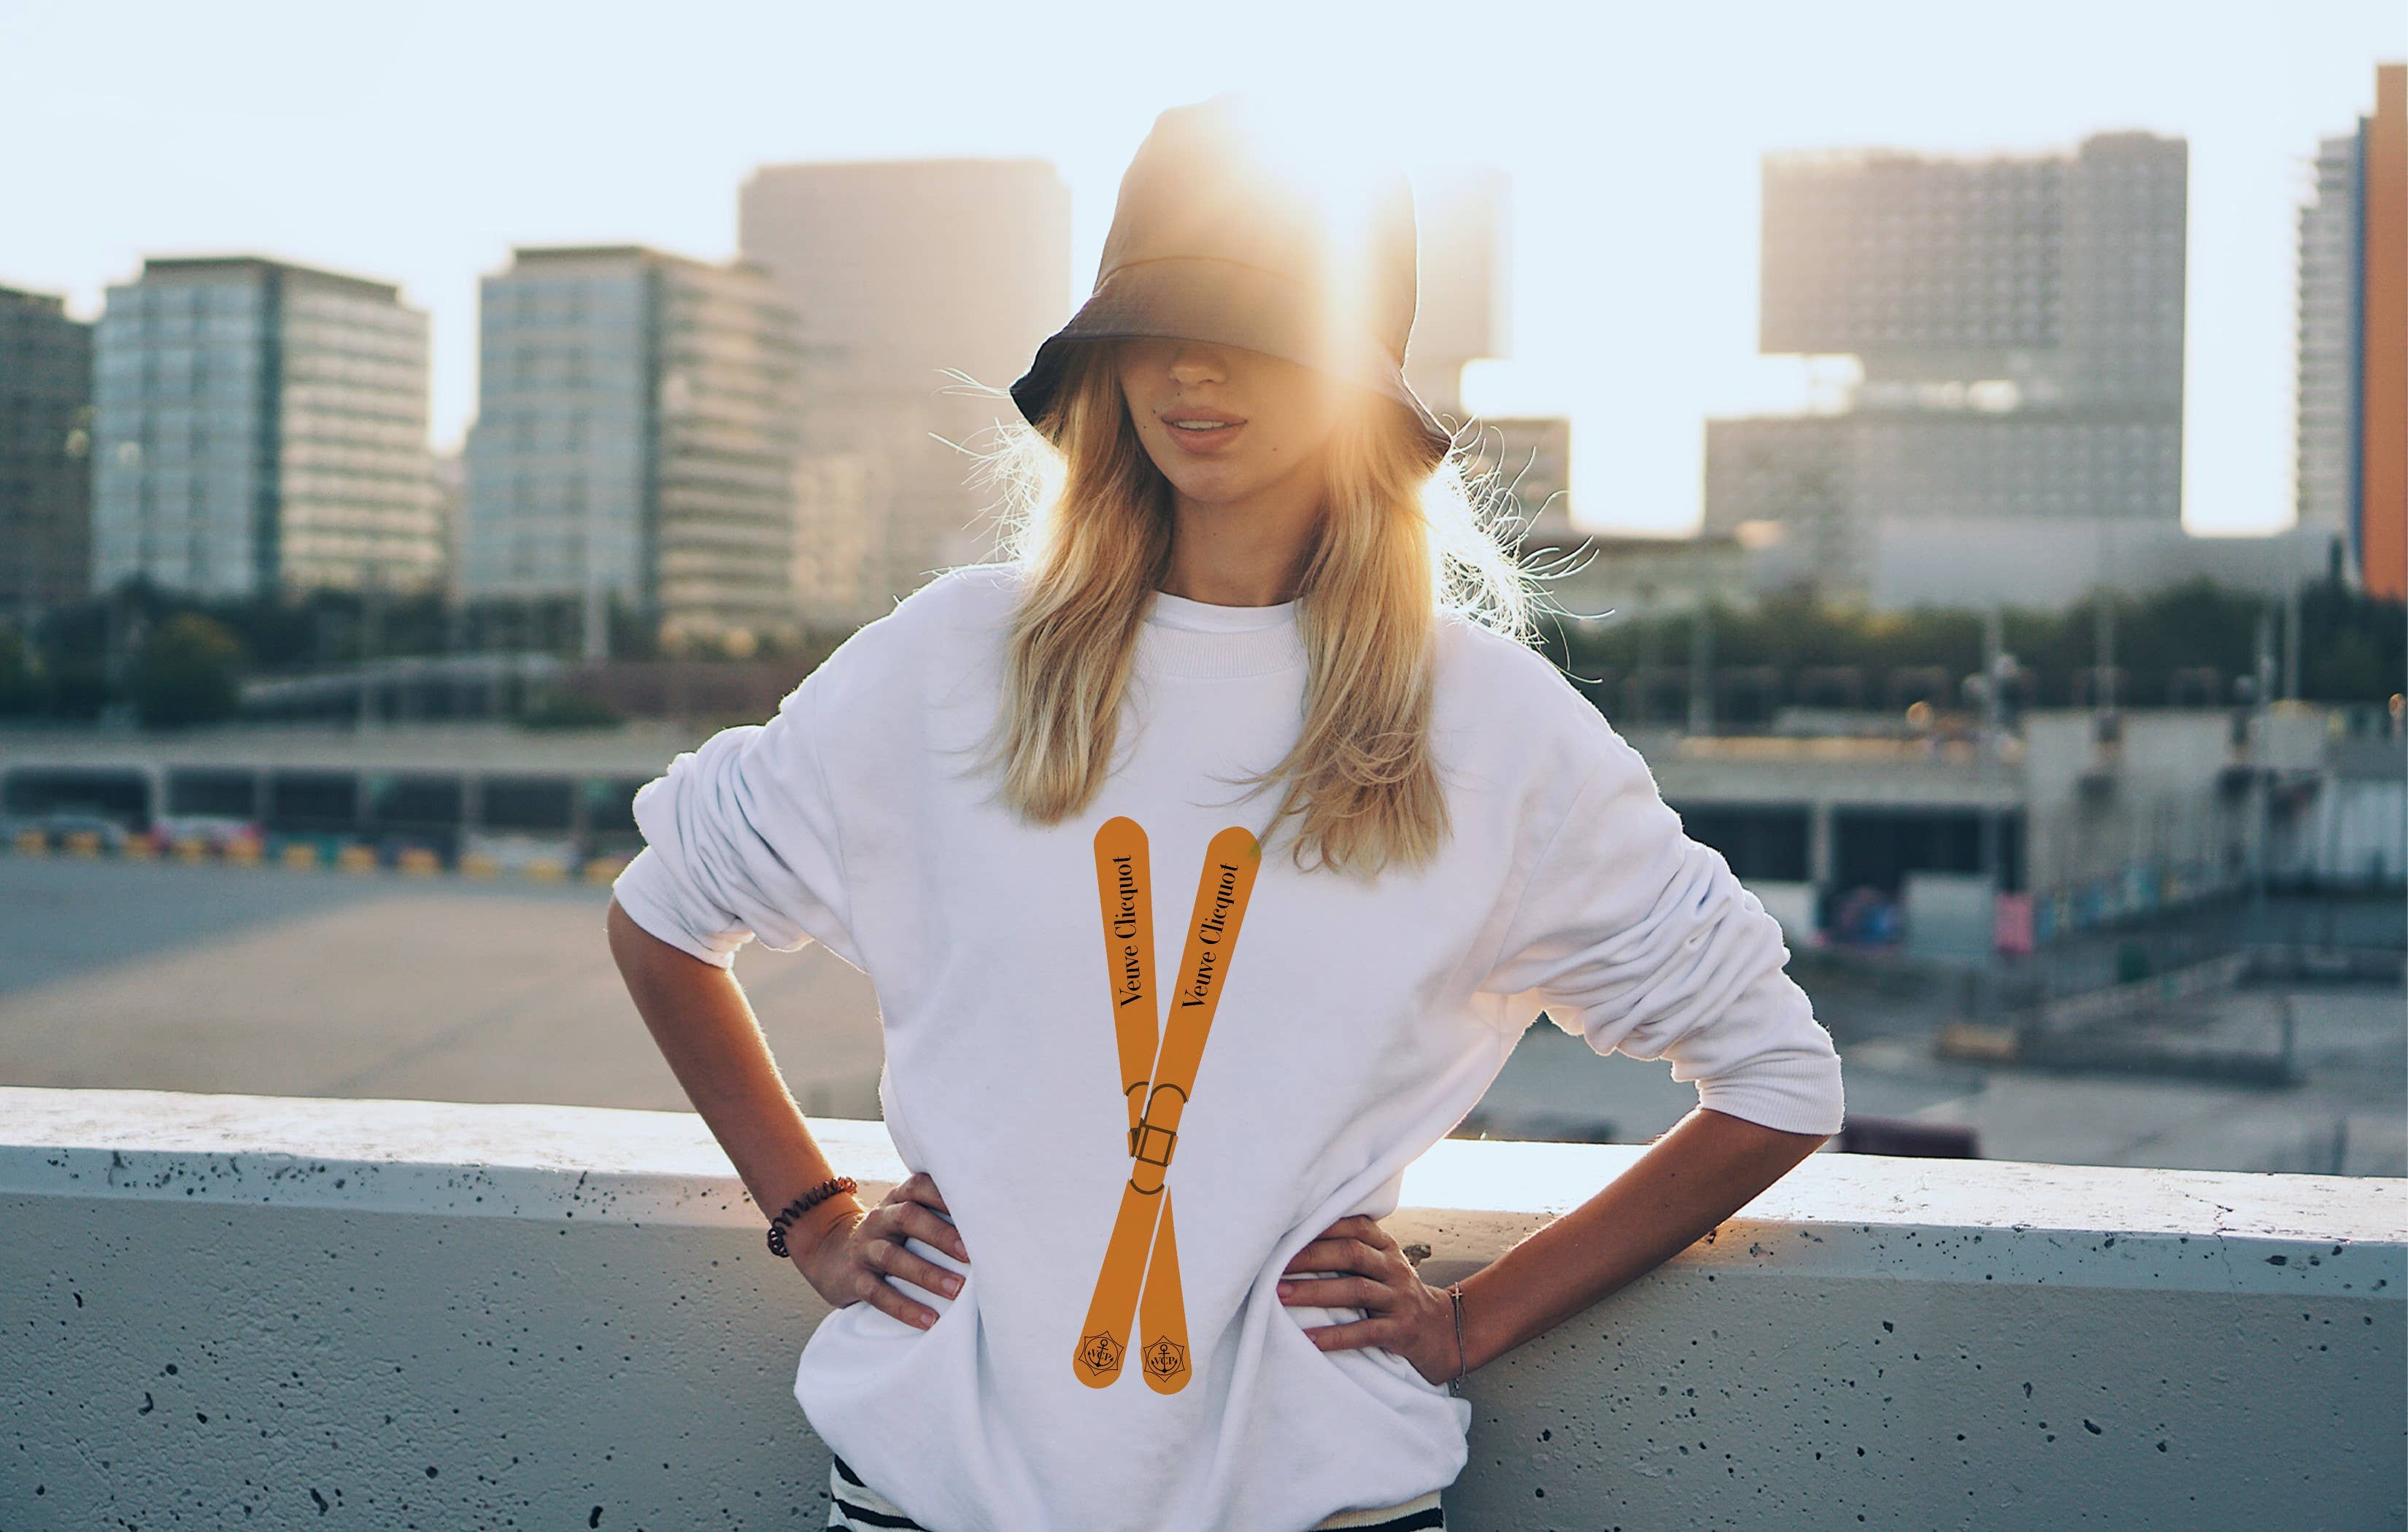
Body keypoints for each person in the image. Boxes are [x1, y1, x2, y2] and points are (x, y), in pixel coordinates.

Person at [606, 90, 1844, 1532]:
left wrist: (1472, 1322)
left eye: (1260, 329)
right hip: (934, 1491)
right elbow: (662, 919)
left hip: (1313, 1501)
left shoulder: (1489, 726)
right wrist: (811, 1215)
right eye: (1157, 324)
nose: (1196, 367)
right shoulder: (954, 660)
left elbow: (1777, 1079)